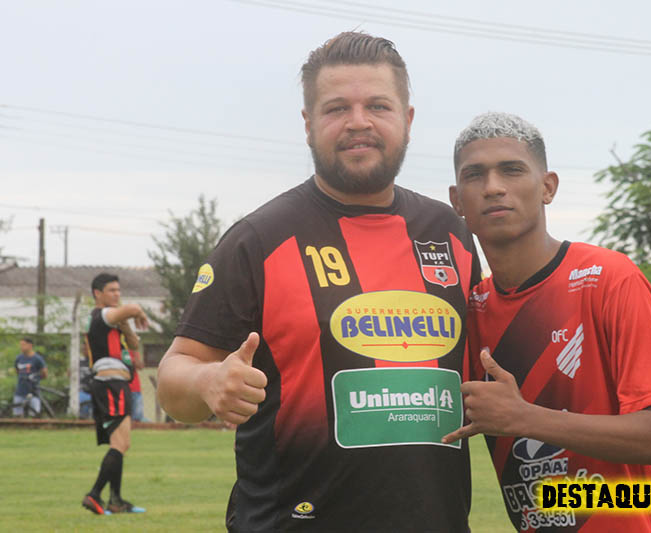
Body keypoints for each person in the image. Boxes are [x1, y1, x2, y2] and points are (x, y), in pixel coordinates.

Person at [157, 31, 481, 532]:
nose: (358, 122)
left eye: (378, 105)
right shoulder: (259, 240)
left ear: (408, 119)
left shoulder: (450, 233)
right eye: (337, 108)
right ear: (308, 125)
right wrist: (208, 380)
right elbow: (173, 375)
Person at [444, 112, 651, 532]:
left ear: (548, 187)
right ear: (456, 201)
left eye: (511, 170)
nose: (493, 187)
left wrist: (523, 418)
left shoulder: (609, 279)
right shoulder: (470, 310)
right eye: (475, 175)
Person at [82, 272, 149, 515]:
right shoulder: (103, 314)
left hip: (113, 384)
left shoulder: (110, 319)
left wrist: (126, 324)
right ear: (97, 293)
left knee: (119, 443)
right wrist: (138, 313)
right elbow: (133, 308)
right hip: (111, 384)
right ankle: (94, 495)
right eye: (111, 290)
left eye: (118, 290)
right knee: (121, 443)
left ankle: (116, 501)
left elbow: (133, 343)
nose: (117, 295)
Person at [13, 337, 48, 417]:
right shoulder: (19, 358)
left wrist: (36, 379)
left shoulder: (37, 359)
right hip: (20, 390)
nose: (21, 347)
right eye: (20, 345)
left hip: (33, 391)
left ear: (30, 345)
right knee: (17, 415)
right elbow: (17, 371)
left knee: (34, 415)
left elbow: (44, 373)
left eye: (23, 345)